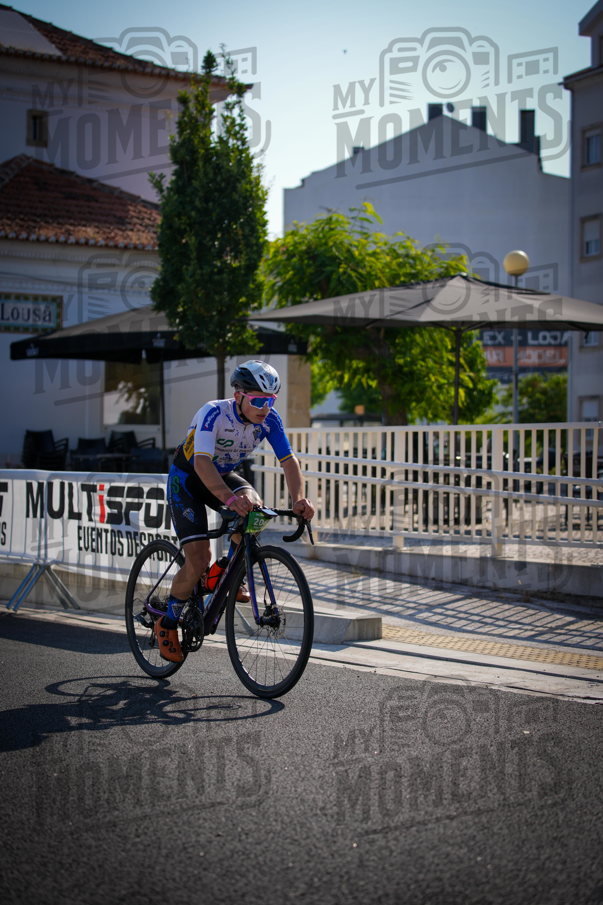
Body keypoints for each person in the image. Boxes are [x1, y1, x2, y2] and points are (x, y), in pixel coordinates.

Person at [155, 360, 315, 662]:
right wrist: (229, 500)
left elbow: (289, 461)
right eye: (257, 400)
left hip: (222, 475)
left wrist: (298, 499)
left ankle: (227, 568)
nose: (264, 407)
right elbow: (202, 463)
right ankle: (168, 622)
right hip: (188, 479)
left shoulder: (270, 420)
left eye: (270, 400)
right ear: (238, 394)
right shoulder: (213, 412)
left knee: (254, 508)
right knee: (198, 559)